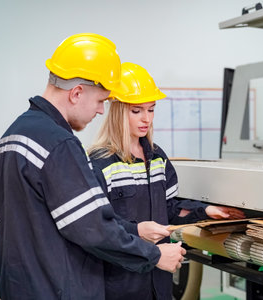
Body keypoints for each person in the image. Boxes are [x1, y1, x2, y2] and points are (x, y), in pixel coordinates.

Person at [0, 33, 186, 300]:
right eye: (100, 101)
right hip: (56, 288)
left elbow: (58, 222)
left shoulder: (13, 136)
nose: (101, 112)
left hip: (21, 287)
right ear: (77, 93)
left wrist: (135, 230)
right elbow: (92, 230)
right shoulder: (59, 144)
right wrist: (154, 256)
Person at [88, 62, 246, 300]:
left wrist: (207, 210)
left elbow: (170, 209)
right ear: (118, 110)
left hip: (159, 282)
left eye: (151, 110)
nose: (146, 119)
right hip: (121, 284)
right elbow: (97, 228)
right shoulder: (100, 163)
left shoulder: (158, 158)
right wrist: (138, 231)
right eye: (137, 110)